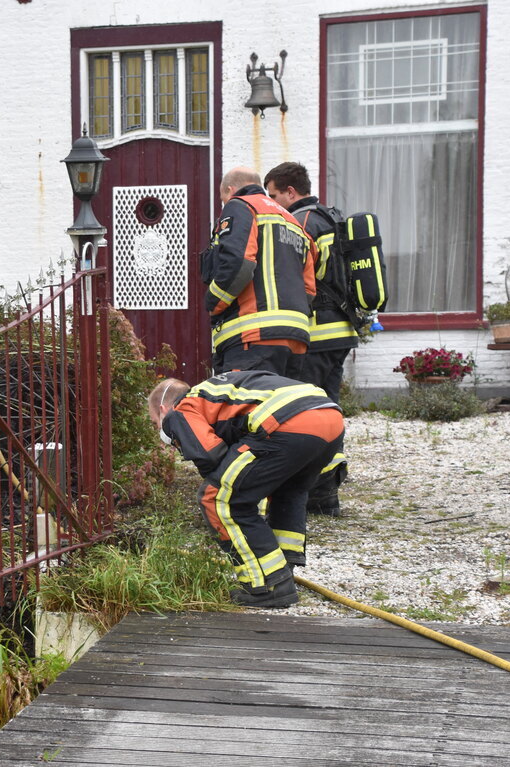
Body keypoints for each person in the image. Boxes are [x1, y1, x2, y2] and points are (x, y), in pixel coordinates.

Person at [147, 370, 344, 608]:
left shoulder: (181, 410)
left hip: (286, 422)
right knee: (287, 491)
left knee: (219, 498)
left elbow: (209, 456)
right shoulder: (218, 392)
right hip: (329, 418)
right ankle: (283, 569)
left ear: (163, 409)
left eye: (154, 422)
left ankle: (267, 586)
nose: (158, 429)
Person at [263, 162, 355, 517]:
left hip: (316, 333)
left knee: (308, 414)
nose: (272, 203)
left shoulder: (299, 223)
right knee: (329, 409)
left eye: (274, 196)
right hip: (342, 330)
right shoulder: (330, 218)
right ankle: (327, 492)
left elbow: (297, 279)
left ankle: (316, 493)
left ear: (290, 192)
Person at [200, 167, 316, 377]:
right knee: (283, 408)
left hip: (253, 337)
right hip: (295, 338)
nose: (224, 205)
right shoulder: (293, 221)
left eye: (223, 199)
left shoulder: (240, 206)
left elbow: (239, 262)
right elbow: (308, 287)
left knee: (246, 406)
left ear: (230, 190)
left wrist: (213, 303)